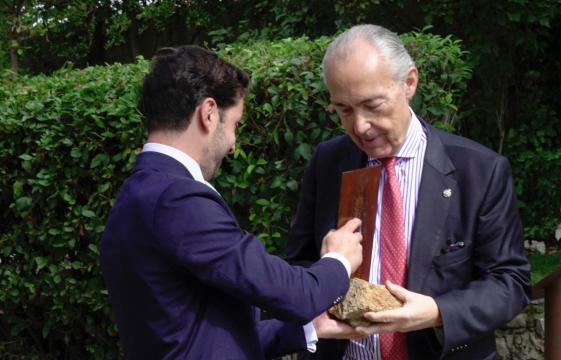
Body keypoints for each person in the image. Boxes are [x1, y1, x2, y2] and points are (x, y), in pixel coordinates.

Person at [99, 45, 365, 360]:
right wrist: (339, 260)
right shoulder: (176, 198)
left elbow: (200, 338)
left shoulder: (139, 193)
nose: (232, 144)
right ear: (209, 113)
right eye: (235, 124)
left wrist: (310, 328)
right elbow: (298, 295)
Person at [287, 25, 531, 359]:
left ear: (409, 83)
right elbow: (299, 262)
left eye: (372, 105)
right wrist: (322, 278)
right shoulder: (328, 162)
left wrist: (436, 311)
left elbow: (509, 282)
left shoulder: (479, 170)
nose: (359, 126)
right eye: (344, 110)